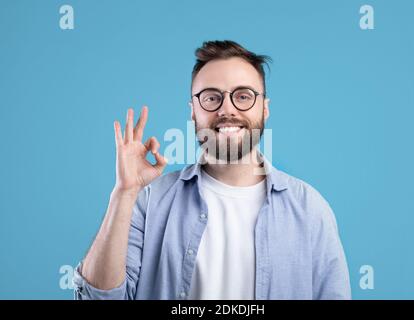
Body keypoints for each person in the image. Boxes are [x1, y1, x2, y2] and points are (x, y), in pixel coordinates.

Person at [73, 40, 351, 300]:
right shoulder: (149, 202)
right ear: (193, 110)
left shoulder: (310, 209)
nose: (227, 109)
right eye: (211, 97)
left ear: (264, 109)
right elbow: (98, 297)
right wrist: (124, 193)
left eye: (243, 96)